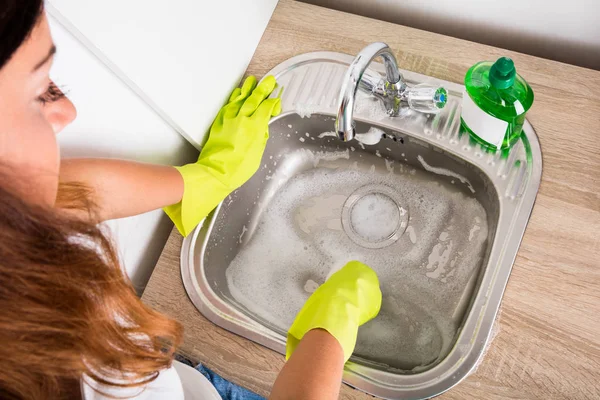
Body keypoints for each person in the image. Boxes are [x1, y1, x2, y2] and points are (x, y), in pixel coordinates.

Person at [0, 1, 382, 399]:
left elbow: (63, 195)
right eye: (39, 92)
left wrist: (203, 179)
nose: (68, 111)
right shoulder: (48, 379)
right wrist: (329, 328)